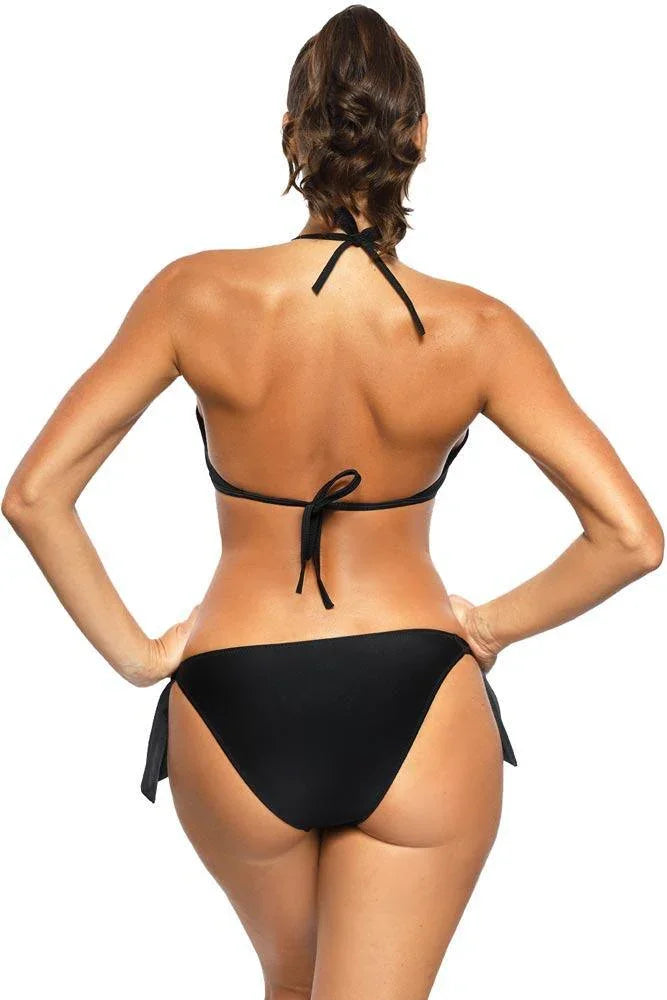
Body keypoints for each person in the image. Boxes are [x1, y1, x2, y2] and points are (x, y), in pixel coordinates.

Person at [3, 6, 662, 999]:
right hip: (416, 695)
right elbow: (630, 537)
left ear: (289, 134)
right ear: (419, 137)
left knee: (291, 983)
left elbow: (35, 494)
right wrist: (489, 625)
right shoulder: (478, 328)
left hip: (232, 694)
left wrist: (137, 655)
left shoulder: (193, 295)